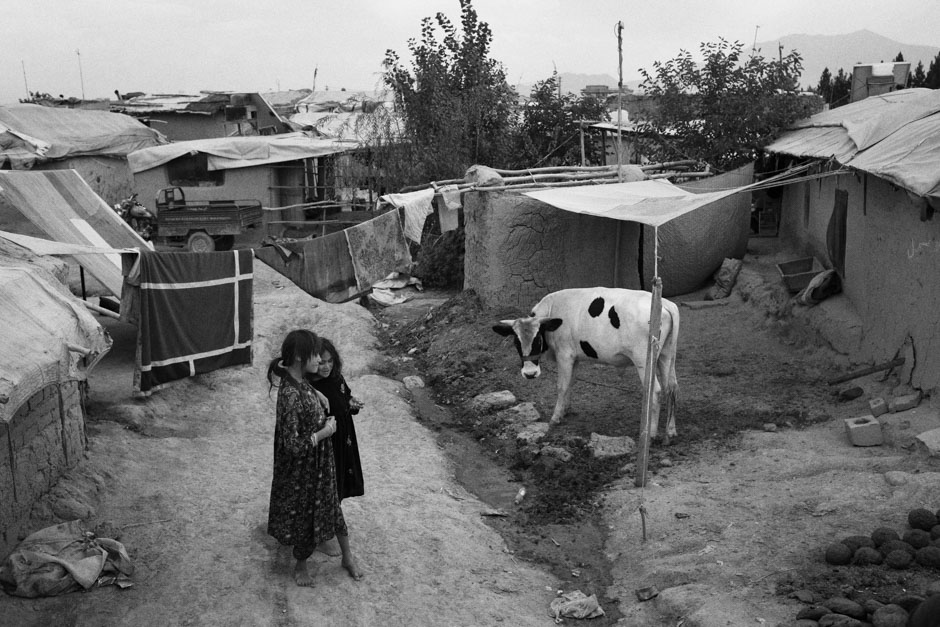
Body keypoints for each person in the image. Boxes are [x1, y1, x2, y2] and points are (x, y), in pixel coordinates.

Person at [266, 329, 362, 586]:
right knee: (306, 518)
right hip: (305, 469)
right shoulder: (289, 396)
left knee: (333, 507)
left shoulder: (298, 381)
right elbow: (293, 445)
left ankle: (348, 557)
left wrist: (315, 392)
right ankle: (300, 567)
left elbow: (296, 378)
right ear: (299, 358)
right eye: (315, 356)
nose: (320, 361)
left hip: (322, 463)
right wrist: (324, 432)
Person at [306, 338, 365, 501]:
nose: (326, 367)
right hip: (327, 441)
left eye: (330, 361)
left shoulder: (337, 378)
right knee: (327, 483)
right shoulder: (310, 387)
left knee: (341, 481)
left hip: (344, 439)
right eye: (322, 362)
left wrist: (352, 403)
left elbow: (345, 397)